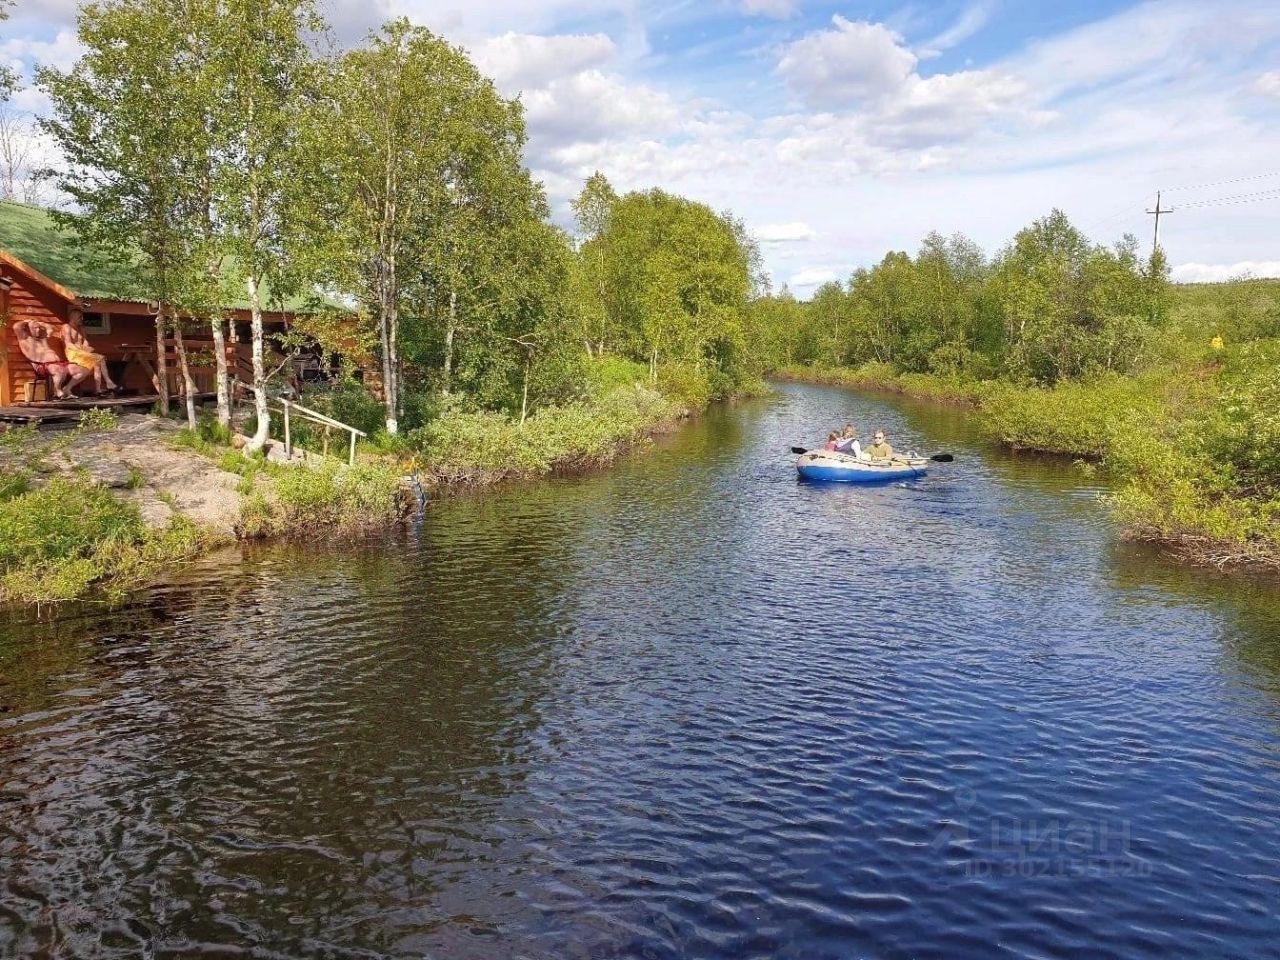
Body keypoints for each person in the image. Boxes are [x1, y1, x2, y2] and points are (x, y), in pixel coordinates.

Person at [13, 319, 91, 399]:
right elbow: (16, 326)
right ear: (28, 329)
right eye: (35, 328)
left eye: (39, 328)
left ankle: (67, 388)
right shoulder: (25, 339)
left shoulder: (43, 338)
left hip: (58, 364)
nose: (38, 330)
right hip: (41, 366)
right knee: (58, 369)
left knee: (83, 371)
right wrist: (27, 321)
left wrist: (40, 323)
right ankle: (57, 392)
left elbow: (50, 328)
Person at [59, 308, 119, 395]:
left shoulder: (81, 329)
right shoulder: (66, 327)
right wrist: (82, 350)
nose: (82, 319)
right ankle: (108, 382)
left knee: (97, 362)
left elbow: (86, 342)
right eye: (80, 317)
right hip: (73, 353)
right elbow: (68, 344)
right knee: (100, 358)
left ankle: (98, 390)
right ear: (73, 317)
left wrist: (87, 348)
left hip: (82, 353)